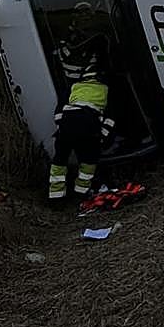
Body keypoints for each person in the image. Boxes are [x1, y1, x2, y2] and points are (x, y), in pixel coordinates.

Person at [49, 16, 111, 202]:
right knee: (89, 162)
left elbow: (59, 111)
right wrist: (103, 138)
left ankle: (55, 197)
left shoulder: (75, 87)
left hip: (69, 121)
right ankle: (81, 195)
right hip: (88, 123)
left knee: (60, 159)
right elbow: (110, 119)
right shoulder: (105, 90)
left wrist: (61, 128)